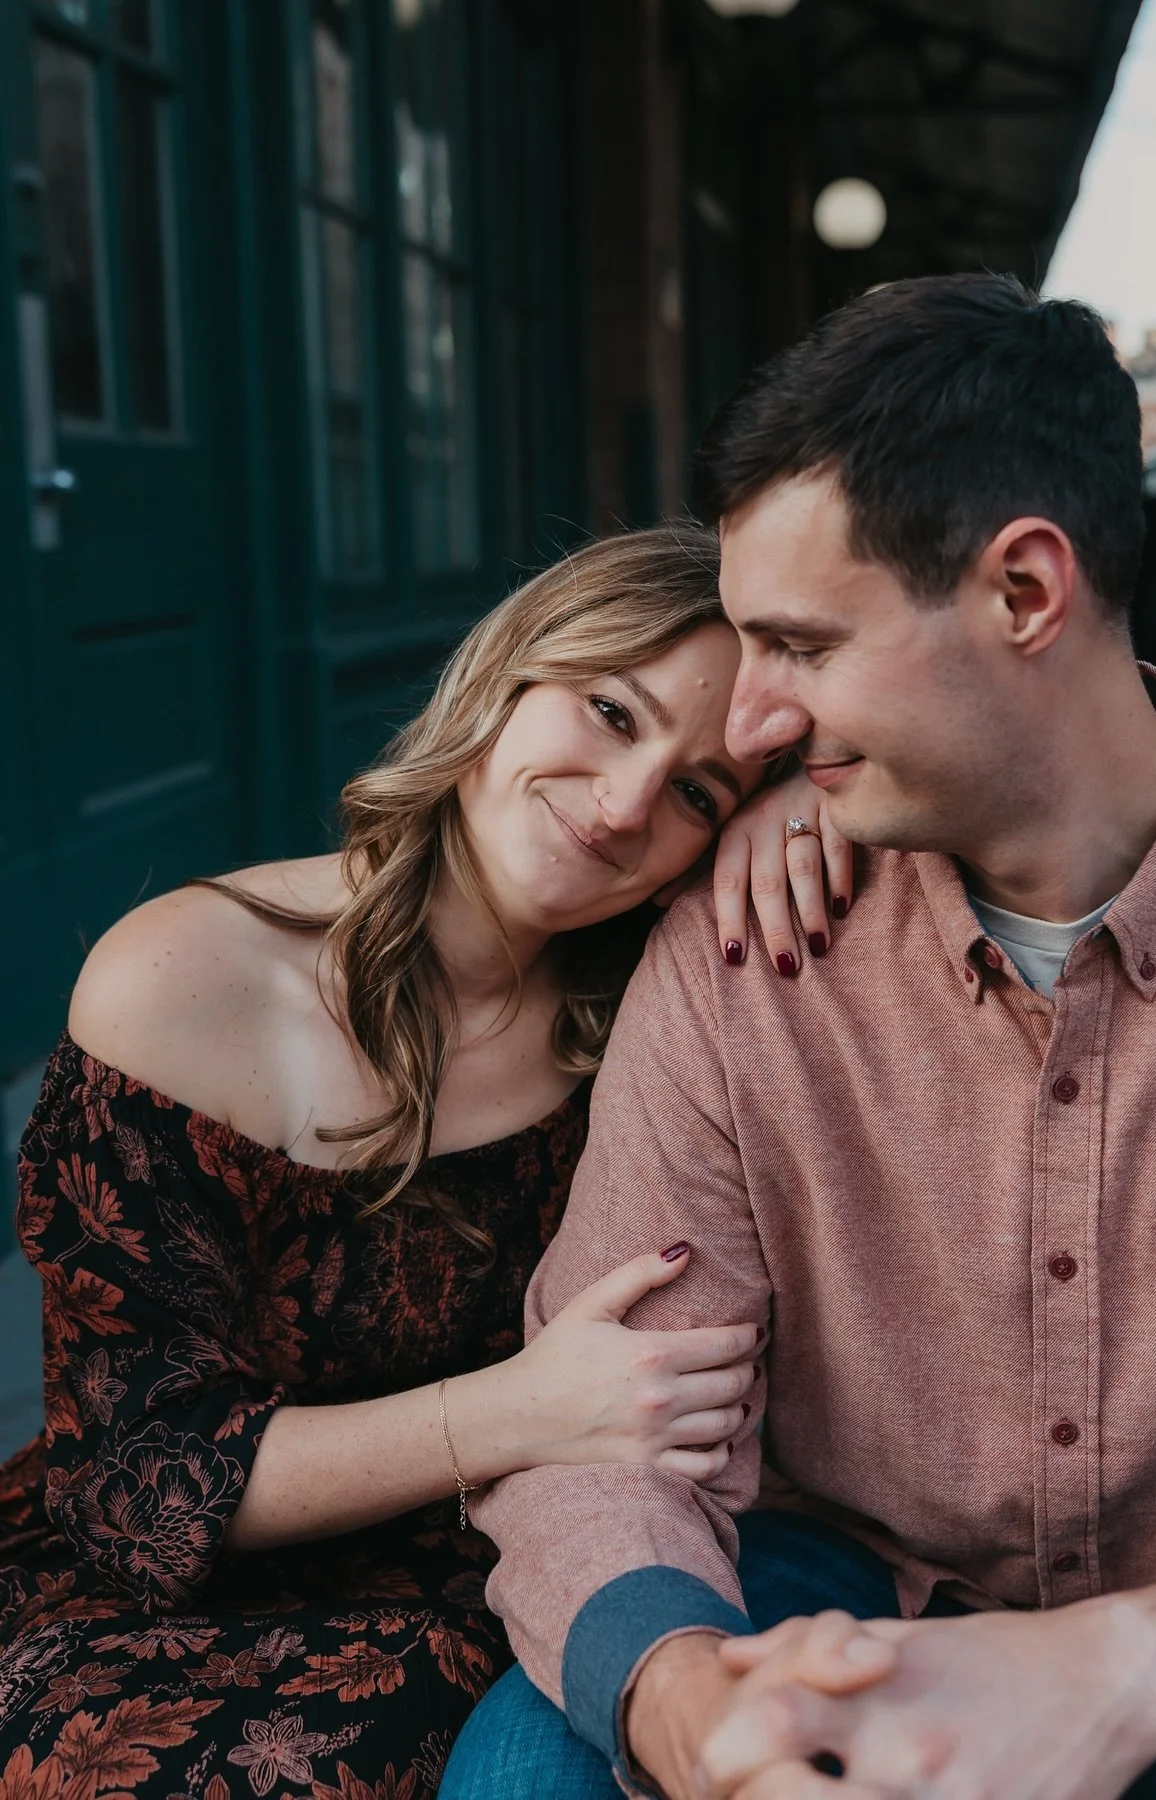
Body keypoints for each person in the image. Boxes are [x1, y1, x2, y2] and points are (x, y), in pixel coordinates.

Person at [440, 275, 1156, 1800]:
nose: (753, 723)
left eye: (799, 646)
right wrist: (685, 1696)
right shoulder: (742, 940)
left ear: (1024, 595)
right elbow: (611, 1426)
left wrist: (1129, 1669)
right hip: (835, 1603)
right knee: (532, 1769)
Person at [0, 525, 847, 1800]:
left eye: (696, 793)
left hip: (515, 1562)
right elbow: (132, 1482)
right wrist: (521, 1407)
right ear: (506, 673)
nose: (623, 807)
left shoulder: (665, 1009)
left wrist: (804, 804)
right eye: (610, 711)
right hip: (163, 1594)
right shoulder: (184, 983)